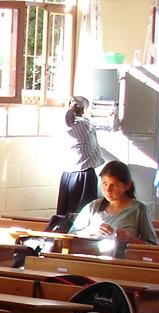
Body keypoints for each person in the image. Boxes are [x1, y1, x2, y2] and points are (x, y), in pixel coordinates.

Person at [67, 160, 159, 257]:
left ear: (127, 185)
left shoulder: (138, 209)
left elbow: (153, 247)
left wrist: (130, 239)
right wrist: (91, 232)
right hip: (90, 262)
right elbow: (70, 236)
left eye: (113, 185)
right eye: (104, 183)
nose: (108, 190)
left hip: (122, 265)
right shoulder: (94, 206)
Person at [50, 96, 105, 233]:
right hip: (83, 175)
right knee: (82, 215)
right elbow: (108, 125)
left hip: (67, 176)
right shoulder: (85, 124)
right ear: (84, 109)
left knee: (64, 215)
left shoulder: (63, 124)